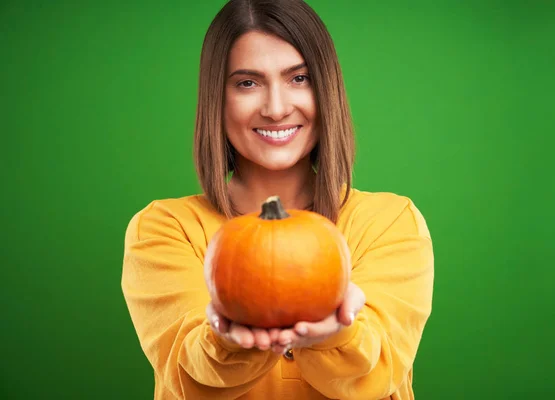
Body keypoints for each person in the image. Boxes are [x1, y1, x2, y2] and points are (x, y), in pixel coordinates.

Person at [121, 0, 435, 399]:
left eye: (299, 78)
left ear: (326, 88)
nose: (276, 108)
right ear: (217, 98)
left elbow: (377, 376)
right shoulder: (165, 229)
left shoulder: (390, 222)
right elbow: (188, 379)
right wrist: (228, 341)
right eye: (247, 83)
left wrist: (338, 335)